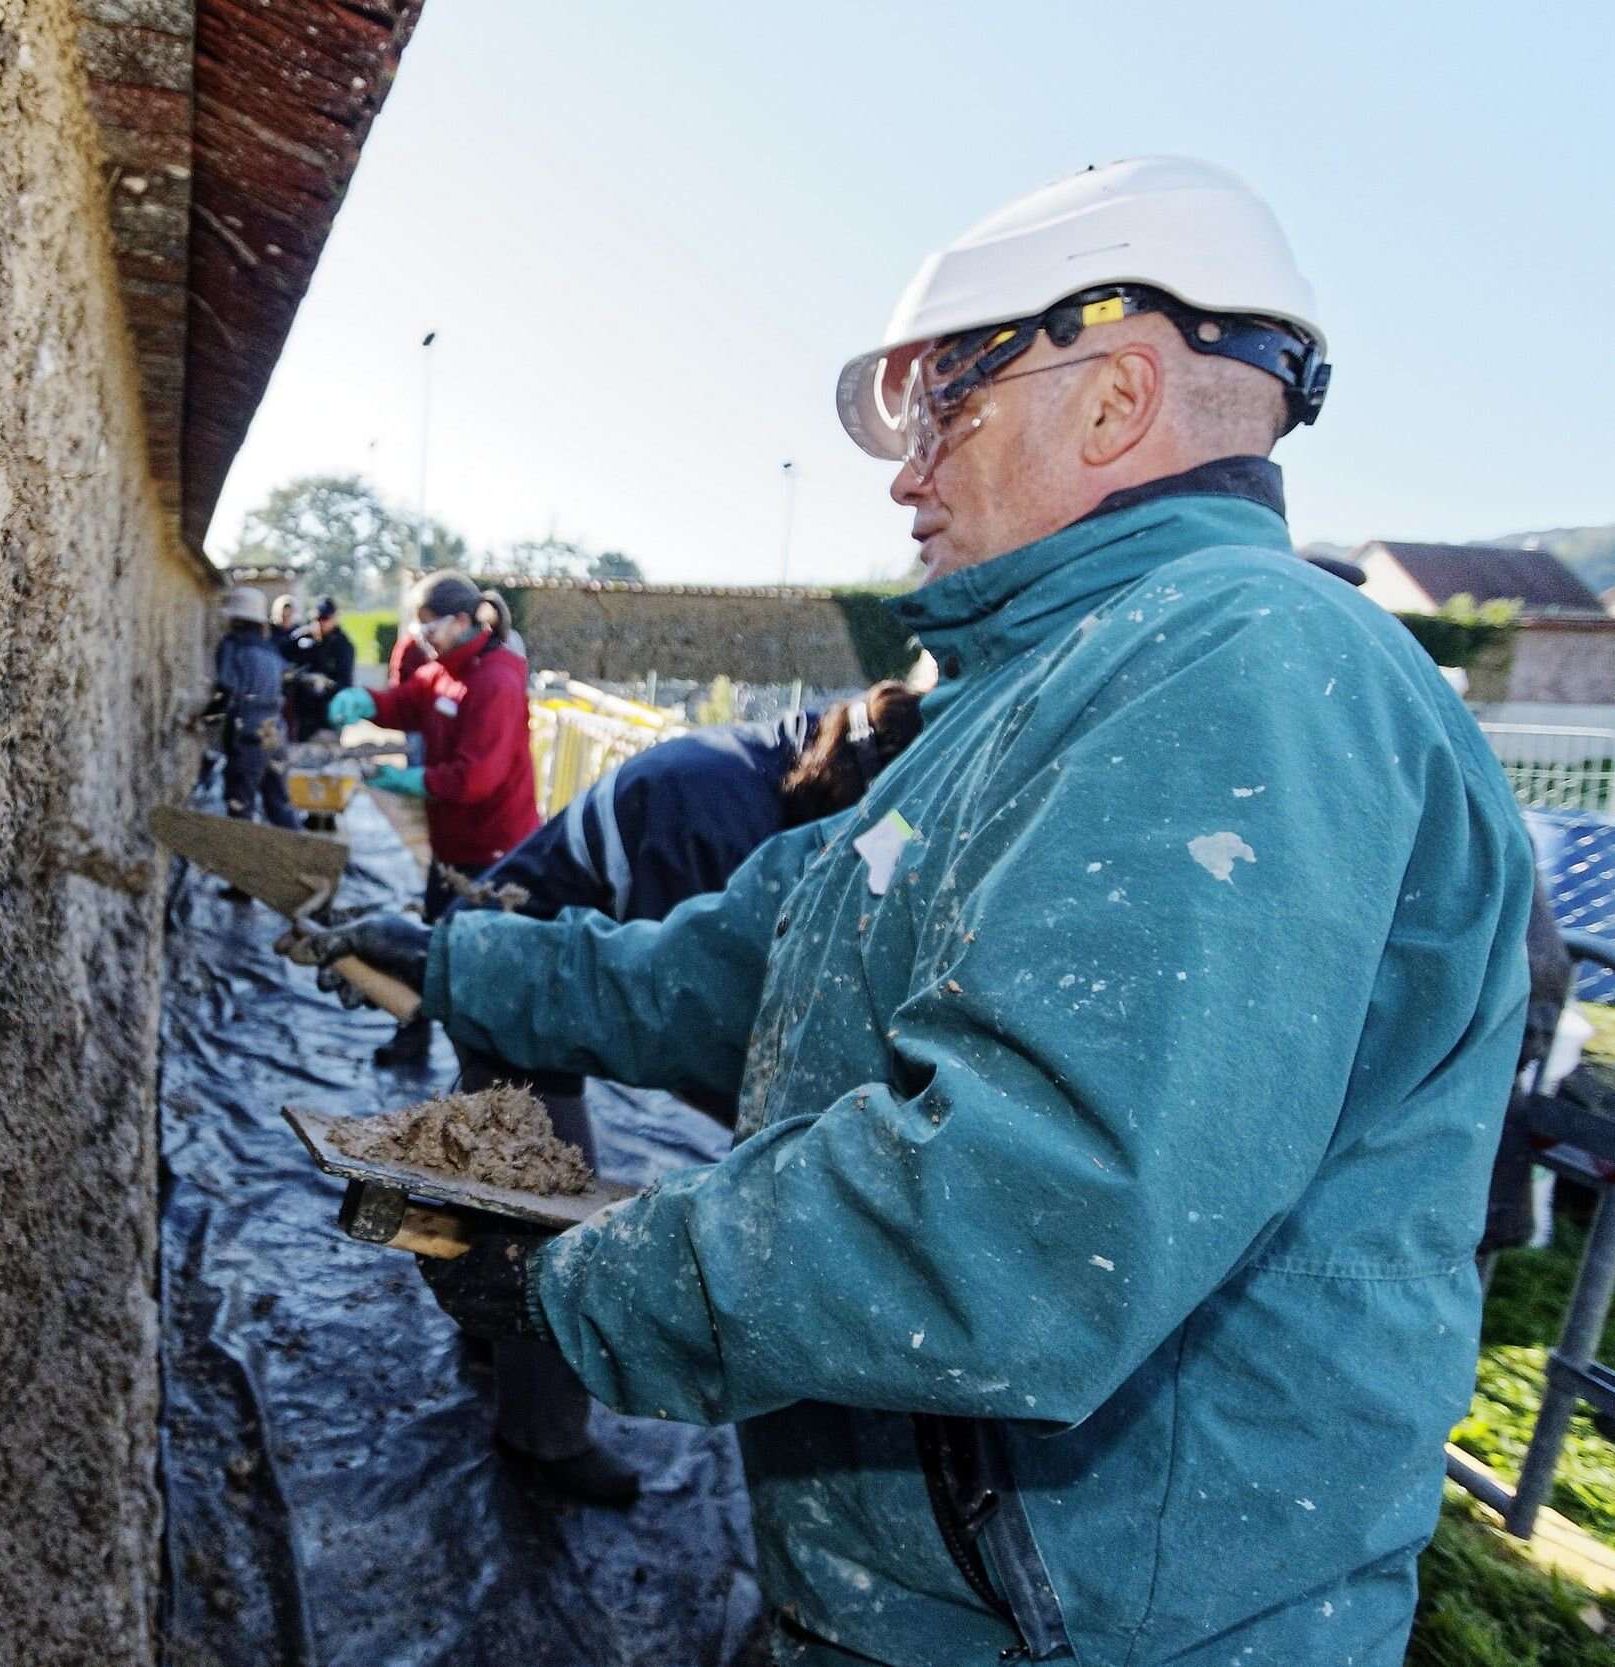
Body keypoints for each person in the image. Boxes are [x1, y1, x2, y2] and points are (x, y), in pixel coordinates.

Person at [305, 158, 1531, 1664]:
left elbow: (1030, 1209)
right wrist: (473, 963)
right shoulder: (1021, 705)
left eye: (942, 401)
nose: (903, 473)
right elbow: (748, 971)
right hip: (936, 1605)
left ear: (1111, 395)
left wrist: (590, 1282)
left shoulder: (1244, 664)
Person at [410, 683, 924, 1508]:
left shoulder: (780, 764)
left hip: (548, 966)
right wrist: (781, 1125)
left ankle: (486, 1330)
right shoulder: (713, 814)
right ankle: (540, 1437)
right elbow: (671, 1015)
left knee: (509, 1188)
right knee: (542, 1202)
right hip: (515, 985)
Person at [325, 571, 539, 1066]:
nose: (421, 639)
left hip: (494, 850)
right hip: (451, 845)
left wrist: (411, 782)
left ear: (463, 620)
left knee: (476, 953)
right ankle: (412, 1032)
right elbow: (409, 701)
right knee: (432, 934)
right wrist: (367, 703)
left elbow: (477, 778)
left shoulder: (496, 681)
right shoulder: (445, 669)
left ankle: (491, 1065)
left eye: (429, 627)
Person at [208, 585, 301, 836]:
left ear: (235, 618)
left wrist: (205, 718)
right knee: (278, 804)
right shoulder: (270, 650)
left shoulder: (232, 646)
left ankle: (243, 871)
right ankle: (301, 858)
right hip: (275, 733)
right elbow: (286, 681)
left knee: (240, 808)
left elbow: (226, 690)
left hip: (248, 736)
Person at [286, 596, 356, 741]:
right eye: (317, 619)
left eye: (325, 619)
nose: (320, 623)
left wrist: (326, 684)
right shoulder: (301, 638)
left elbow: (345, 683)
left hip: (328, 713)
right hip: (303, 712)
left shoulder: (343, 645)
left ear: (334, 618)